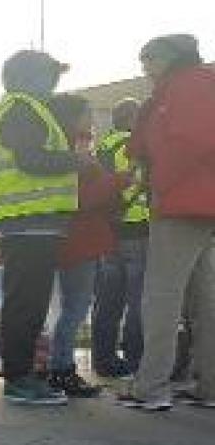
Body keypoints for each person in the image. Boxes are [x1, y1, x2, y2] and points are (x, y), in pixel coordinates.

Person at [0, 50, 87, 405]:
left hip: (32, 223)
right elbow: (31, 160)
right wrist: (77, 161)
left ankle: (23, 374)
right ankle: (19, 379)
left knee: (28, 302)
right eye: (51, 75)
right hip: (28, 222)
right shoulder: (21, 108)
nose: (56, 83)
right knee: (26, 304)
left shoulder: (23, 108)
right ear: (31, 77)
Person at [118, 34, 215, 410]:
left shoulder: (189, 85)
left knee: (161, 295)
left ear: (171, 57)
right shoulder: (188, 85)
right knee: (203, 297)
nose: (143, 67)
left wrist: (160, 185)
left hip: (182, 203)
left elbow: (189, 140)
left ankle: (152, 387)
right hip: (200, 205)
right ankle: (208, 386)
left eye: (149, 59)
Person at [45, 94, 126, 397]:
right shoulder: (73, 153)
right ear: (72, 118)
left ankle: (59, 368)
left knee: (73, 309)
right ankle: (62, 369)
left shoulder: (71, 149)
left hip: (79, 239)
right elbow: (79, 199)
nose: (91, 117)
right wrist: (117, 182)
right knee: (75, 309)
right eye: (86, 112)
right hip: (79, 241)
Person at [91, 99, 148, 378]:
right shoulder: (132, 145)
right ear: (132, 119)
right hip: (136, 228)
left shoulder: (101, 147)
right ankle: (136, 360)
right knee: (139, 300)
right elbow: (135, 182)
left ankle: (103, 359)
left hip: (108, 232)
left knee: (108, 300)